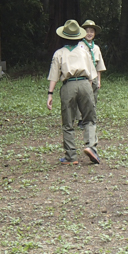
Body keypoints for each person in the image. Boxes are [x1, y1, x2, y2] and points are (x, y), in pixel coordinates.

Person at [47, 19, 100, 165]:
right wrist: (88, 89)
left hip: (68, 85)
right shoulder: (85, 51)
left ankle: (71, 156)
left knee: (68, 122)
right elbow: (92, 74)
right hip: (84, 84)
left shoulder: (59, 53)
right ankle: (91, 147)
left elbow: (54, 76)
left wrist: (50, 94)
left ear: (63, 36)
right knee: (89, 118)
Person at [75, 20, 107, 127]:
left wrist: (98, 80)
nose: (89, 33)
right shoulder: (79, 46)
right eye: (87, 31)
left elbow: (99, 66)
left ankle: (90, 118)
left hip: (93, 77)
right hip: (83, 77)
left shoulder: (96, 48)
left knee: (93, 97)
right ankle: (80, 119)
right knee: (82, 97)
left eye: (92, 31)